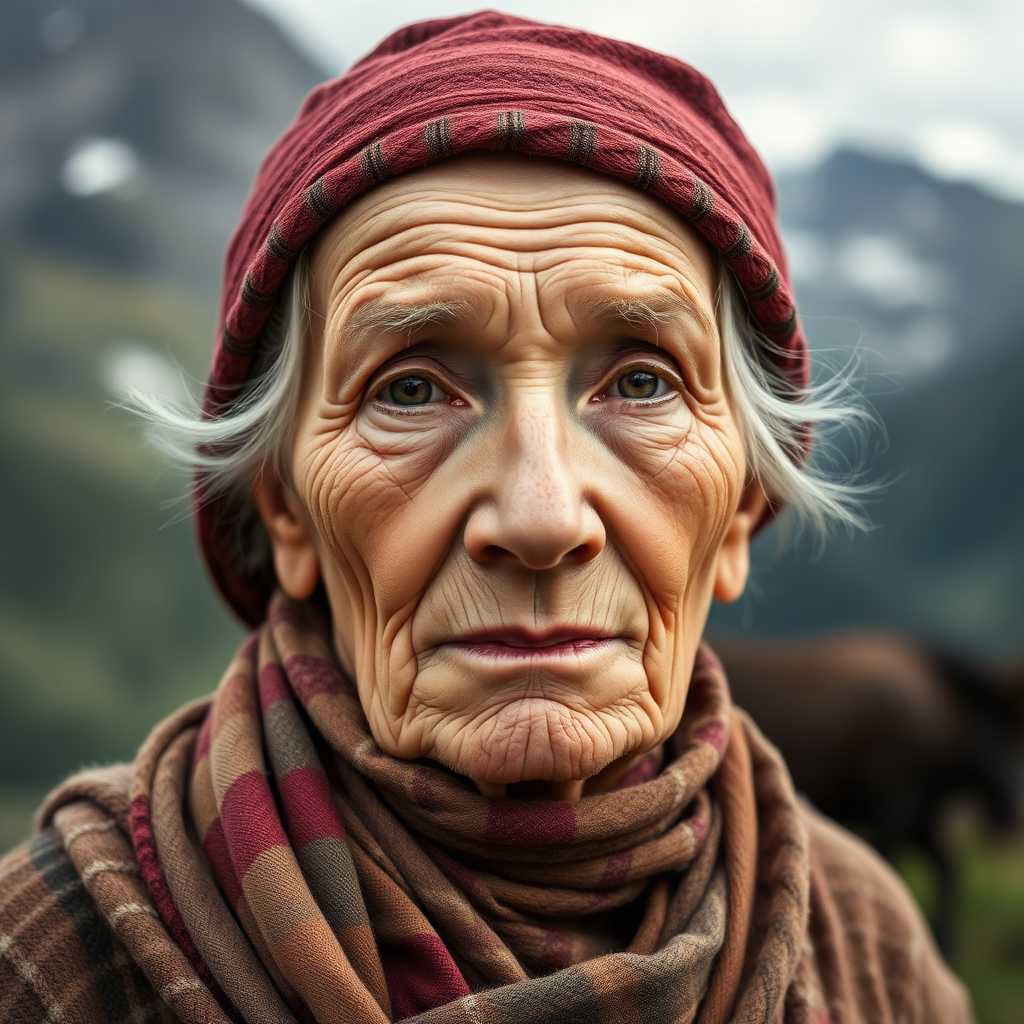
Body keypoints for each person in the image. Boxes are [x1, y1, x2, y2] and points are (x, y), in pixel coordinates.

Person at [0, 12, 973, 1023]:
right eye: (412, 391)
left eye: (641, 383)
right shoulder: (53, 959)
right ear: (284, 507)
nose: (542, 516)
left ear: (736, 512)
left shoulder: (865, 946)